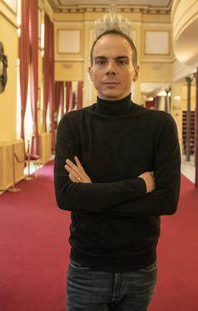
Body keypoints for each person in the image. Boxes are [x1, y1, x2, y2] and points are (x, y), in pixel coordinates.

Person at [54, 28, 181, 311]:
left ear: (136, 70)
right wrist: (138, 186)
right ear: (90, 71)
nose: (110, 69)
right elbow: (66, 197)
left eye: (121, 61)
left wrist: (92, 194)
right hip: (87, 266)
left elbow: (167, 201)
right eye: (101, 61)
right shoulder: (73, 124)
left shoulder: (160, 125)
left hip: (140, 266)